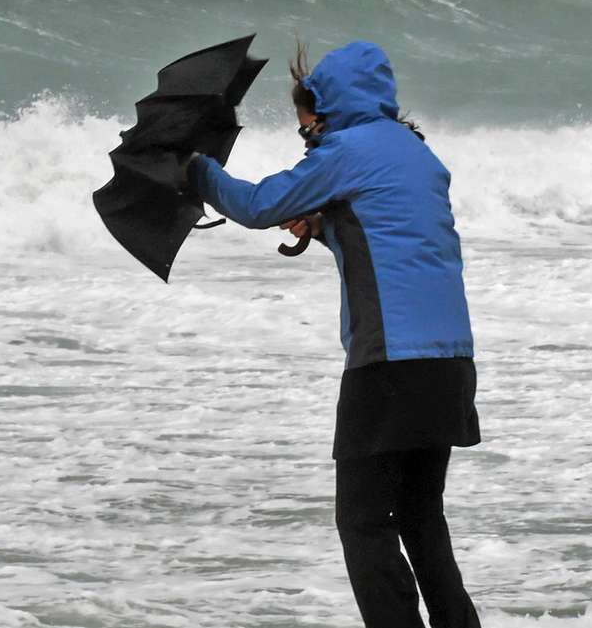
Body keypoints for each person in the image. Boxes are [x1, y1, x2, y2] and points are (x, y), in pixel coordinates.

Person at [188, 40, 483, 628]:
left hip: (390, 362)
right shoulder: (418, 153)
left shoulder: (344, 149)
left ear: (327, 110)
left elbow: (254, 204)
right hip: (449, 363)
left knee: (364, 522)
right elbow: (395, 235)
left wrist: (192, 165)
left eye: (306, 133)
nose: (309, 144)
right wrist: (326, 227)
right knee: (422, 519)